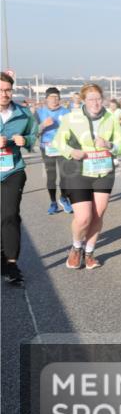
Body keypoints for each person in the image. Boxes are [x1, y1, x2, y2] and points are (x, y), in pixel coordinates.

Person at [51, 83, 121, 270]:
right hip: (78, 170)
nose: (95, 103)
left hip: (103, 171)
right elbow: (57, 142)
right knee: (84, 217)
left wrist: (109, 145)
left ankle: (90, 252)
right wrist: (71, 151)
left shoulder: (110, 118)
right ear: (84, 100)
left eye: (98, 99)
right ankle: (76, 247)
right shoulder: (71, 118)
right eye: (91, 99)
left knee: (97, 215)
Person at [1, 73, 37, 286]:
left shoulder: (23, 113)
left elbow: (33, 137)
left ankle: (11, 263)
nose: (4, 94)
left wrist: (26, 140)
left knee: (10, 214)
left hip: (12, 170)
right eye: (1, 90)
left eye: (8, 90)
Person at [34, 87, 74, 214]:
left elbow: (72, 131)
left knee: (66, 176)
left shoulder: (66, 112)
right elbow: (33, 132)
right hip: (47, 148)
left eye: (56, 97)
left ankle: (63, 198)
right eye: (51, 97)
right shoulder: (39, 112)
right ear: (46, 99)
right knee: (51, 177)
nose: (54, 100)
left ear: (60, 99)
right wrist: (43, 125)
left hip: (63, 147)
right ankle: (53, 203)